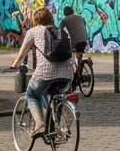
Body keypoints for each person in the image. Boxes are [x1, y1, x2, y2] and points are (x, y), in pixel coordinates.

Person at [9, 8, 73, 139]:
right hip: (67, 74)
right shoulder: (62, 31)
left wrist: (15, 64)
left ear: (36, 20)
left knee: (31, 94)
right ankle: (60, 125)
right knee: (53, 96)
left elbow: (23, 52)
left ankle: (39, 124)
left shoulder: (33, 31)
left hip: (45, 72)